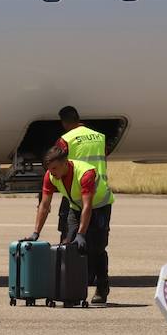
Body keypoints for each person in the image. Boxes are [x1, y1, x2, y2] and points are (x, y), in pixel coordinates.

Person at [30, 146, 114, 300]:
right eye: (49, 169)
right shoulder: (50, 175)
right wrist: (36, 233)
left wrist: (81, 234)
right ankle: (72, 289)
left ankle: (102, 287)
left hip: (99, 207)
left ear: (65, 163)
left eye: (55, 168)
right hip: (75, 207)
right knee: (70, 246)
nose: (52, 172)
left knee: (96, 248)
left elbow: (88, 206)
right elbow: (45, 205)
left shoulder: (85, 173)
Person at [51, 106, 110, 301]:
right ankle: (100, 288)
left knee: (69, 242)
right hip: (99, 196)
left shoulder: (65, 140)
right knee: (98, 246)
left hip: (77, 195)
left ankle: (72, 284)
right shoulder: (99, 137)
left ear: (64, 122)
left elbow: (57, 160)